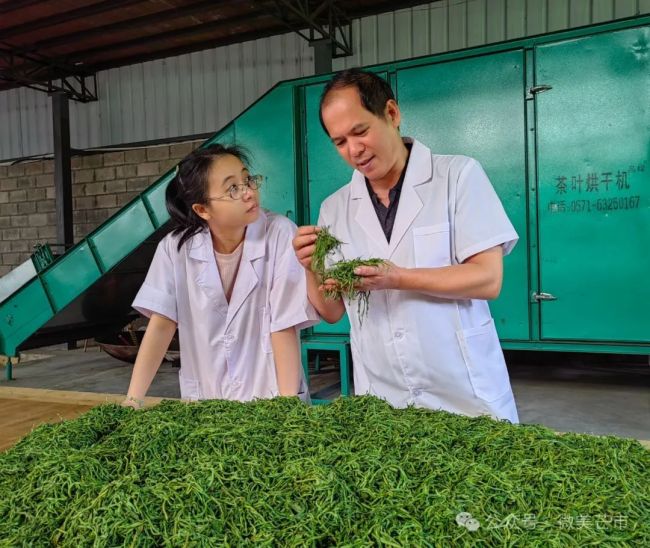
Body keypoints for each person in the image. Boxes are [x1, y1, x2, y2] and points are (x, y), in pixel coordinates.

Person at [293, 69, 519, 422]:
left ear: (392, 114)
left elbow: (487, 279)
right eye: (340, 142)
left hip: (464, 393)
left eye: (360, 131)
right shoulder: (334, 208)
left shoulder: (457, 176)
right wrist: (310, 266)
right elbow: (333, 311)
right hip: (383, 397)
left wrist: (397, 278)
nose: (354, 150)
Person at [122, 144, 318, 409]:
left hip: (269, 394)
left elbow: (282, 325)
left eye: (247, 179)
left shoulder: (280, 234)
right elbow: (162, 324)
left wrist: (286, 408)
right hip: (206, 400)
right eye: (233, 189)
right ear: (203, 209)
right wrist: (133, 400)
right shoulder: (175, 249)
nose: (249, 193)